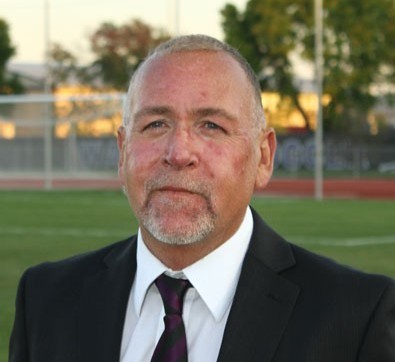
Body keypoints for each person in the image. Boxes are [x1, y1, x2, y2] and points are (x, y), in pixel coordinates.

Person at [9, 34, 395, 362]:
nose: (179, 152)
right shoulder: (45, 300)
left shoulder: (356, 319)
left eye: (211, 125)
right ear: (123, 151)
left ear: (263, 157)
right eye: (156, 123)